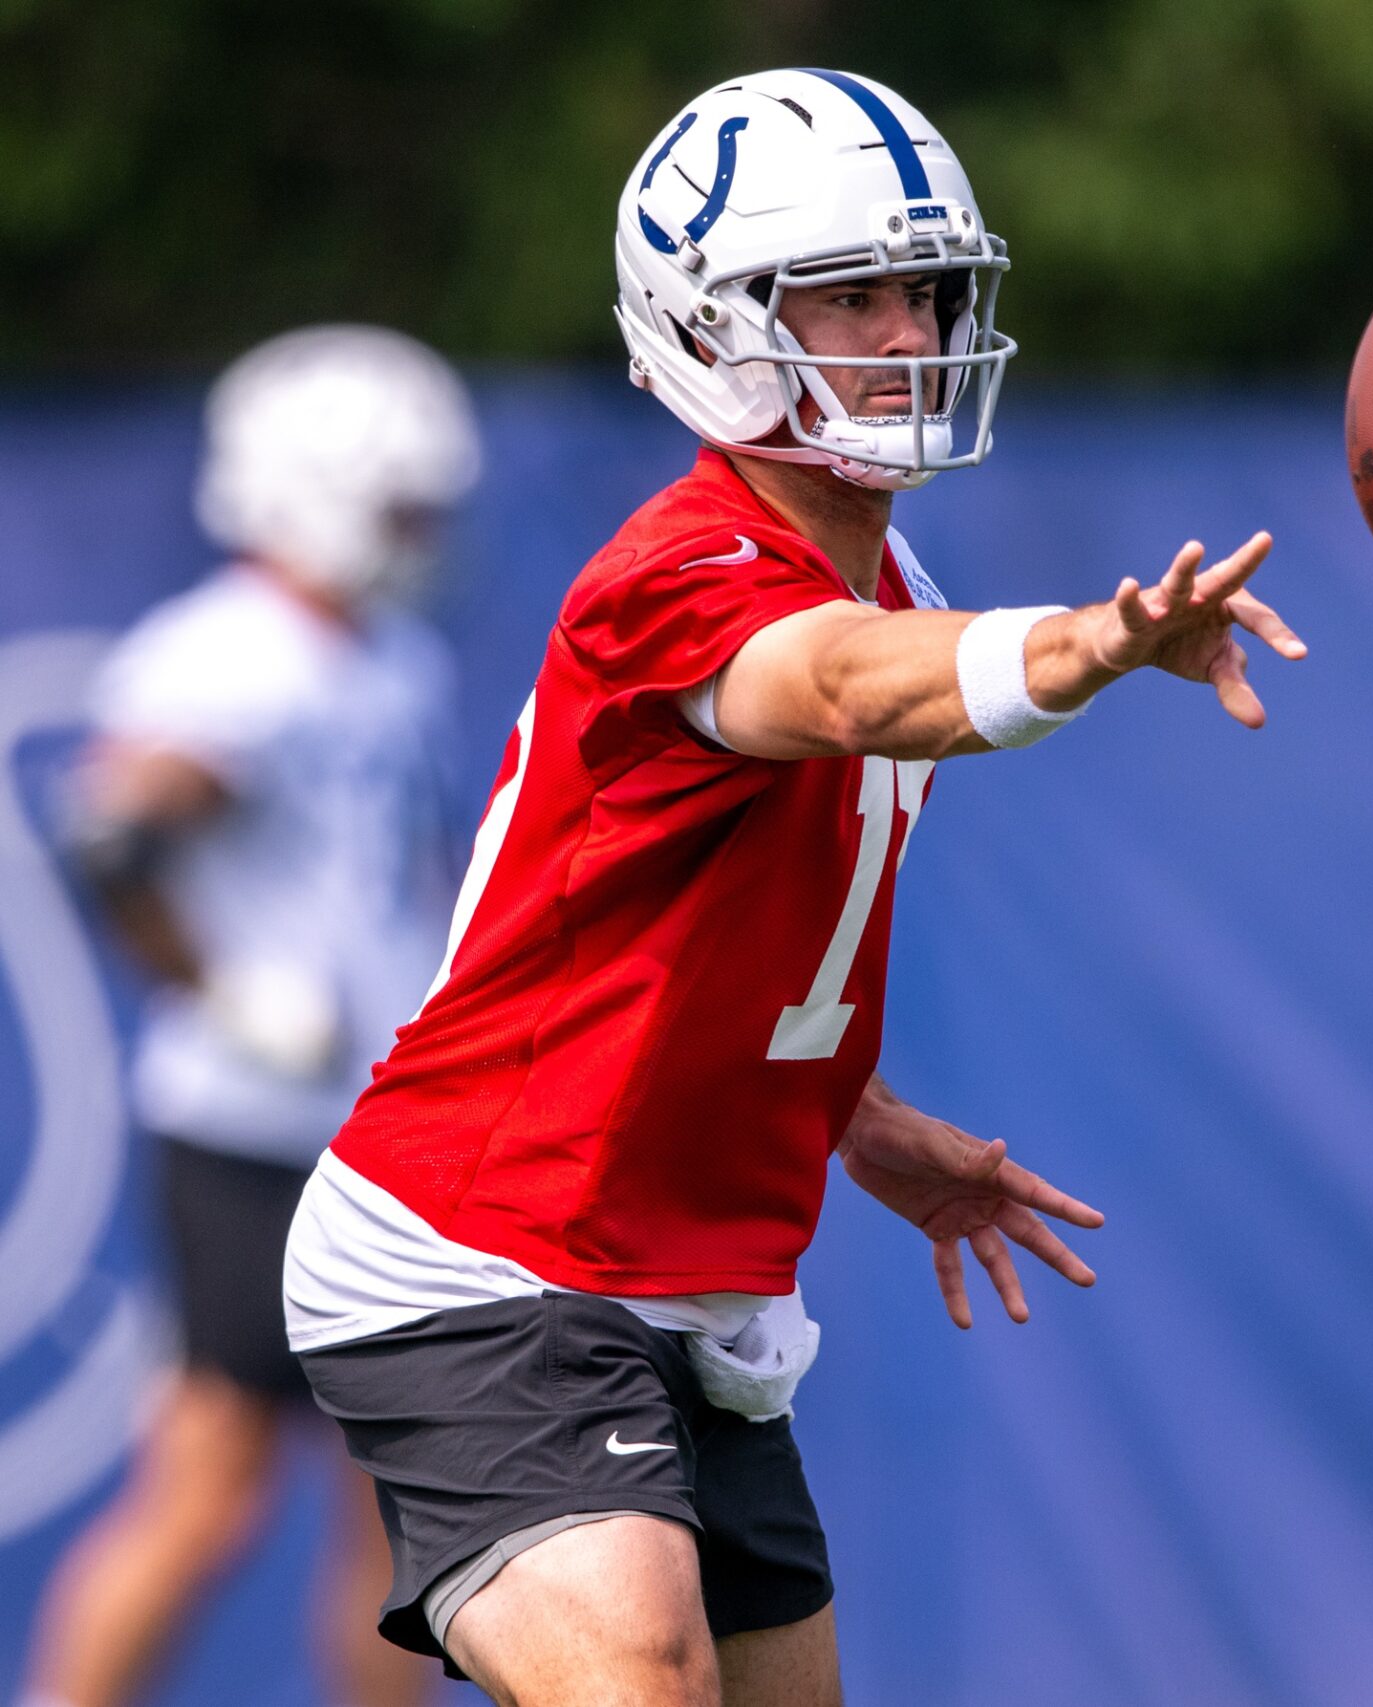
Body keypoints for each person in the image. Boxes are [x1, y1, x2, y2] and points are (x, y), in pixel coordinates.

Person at [276, 68, 1307, 1707]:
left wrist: (866, 1124)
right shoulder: (678, 575)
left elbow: (711, 949)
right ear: (710, 326)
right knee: (646, 1682)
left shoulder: (891, 573)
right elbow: (836, 688)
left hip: (688, 1274)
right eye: (850, 298)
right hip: (487, 1248)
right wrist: (1098, 641)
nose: (907, 335)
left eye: (923, 291)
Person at [19, 326, 480, 1707]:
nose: (418, 533)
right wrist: (221, 990)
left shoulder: (394, 658)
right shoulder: (230, 654)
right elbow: (111, 839)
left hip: (378, 1129)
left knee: (398, 1513)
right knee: (212, 1490)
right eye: (399, 502)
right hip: (252, 1129)